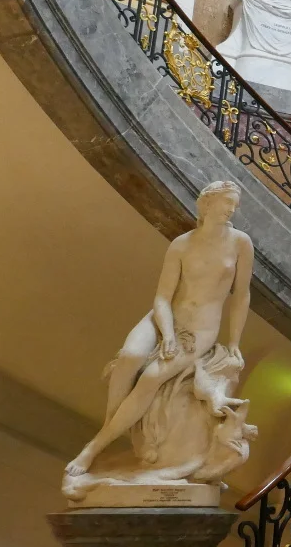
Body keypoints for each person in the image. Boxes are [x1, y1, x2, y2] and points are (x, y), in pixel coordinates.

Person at [65, 181, 254, 478]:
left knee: (151, 377)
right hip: (162, 318)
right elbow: (162, 297)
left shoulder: (240, 242)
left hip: (199, 330)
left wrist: (234, 342)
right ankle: (111, 424)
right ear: (206, 205)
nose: (231, 209)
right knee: (128, 357)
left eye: (234, 204)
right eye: (226, 202)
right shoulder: (181, 244)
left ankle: (94, 446)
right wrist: (166, 334)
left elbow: (242, 295)